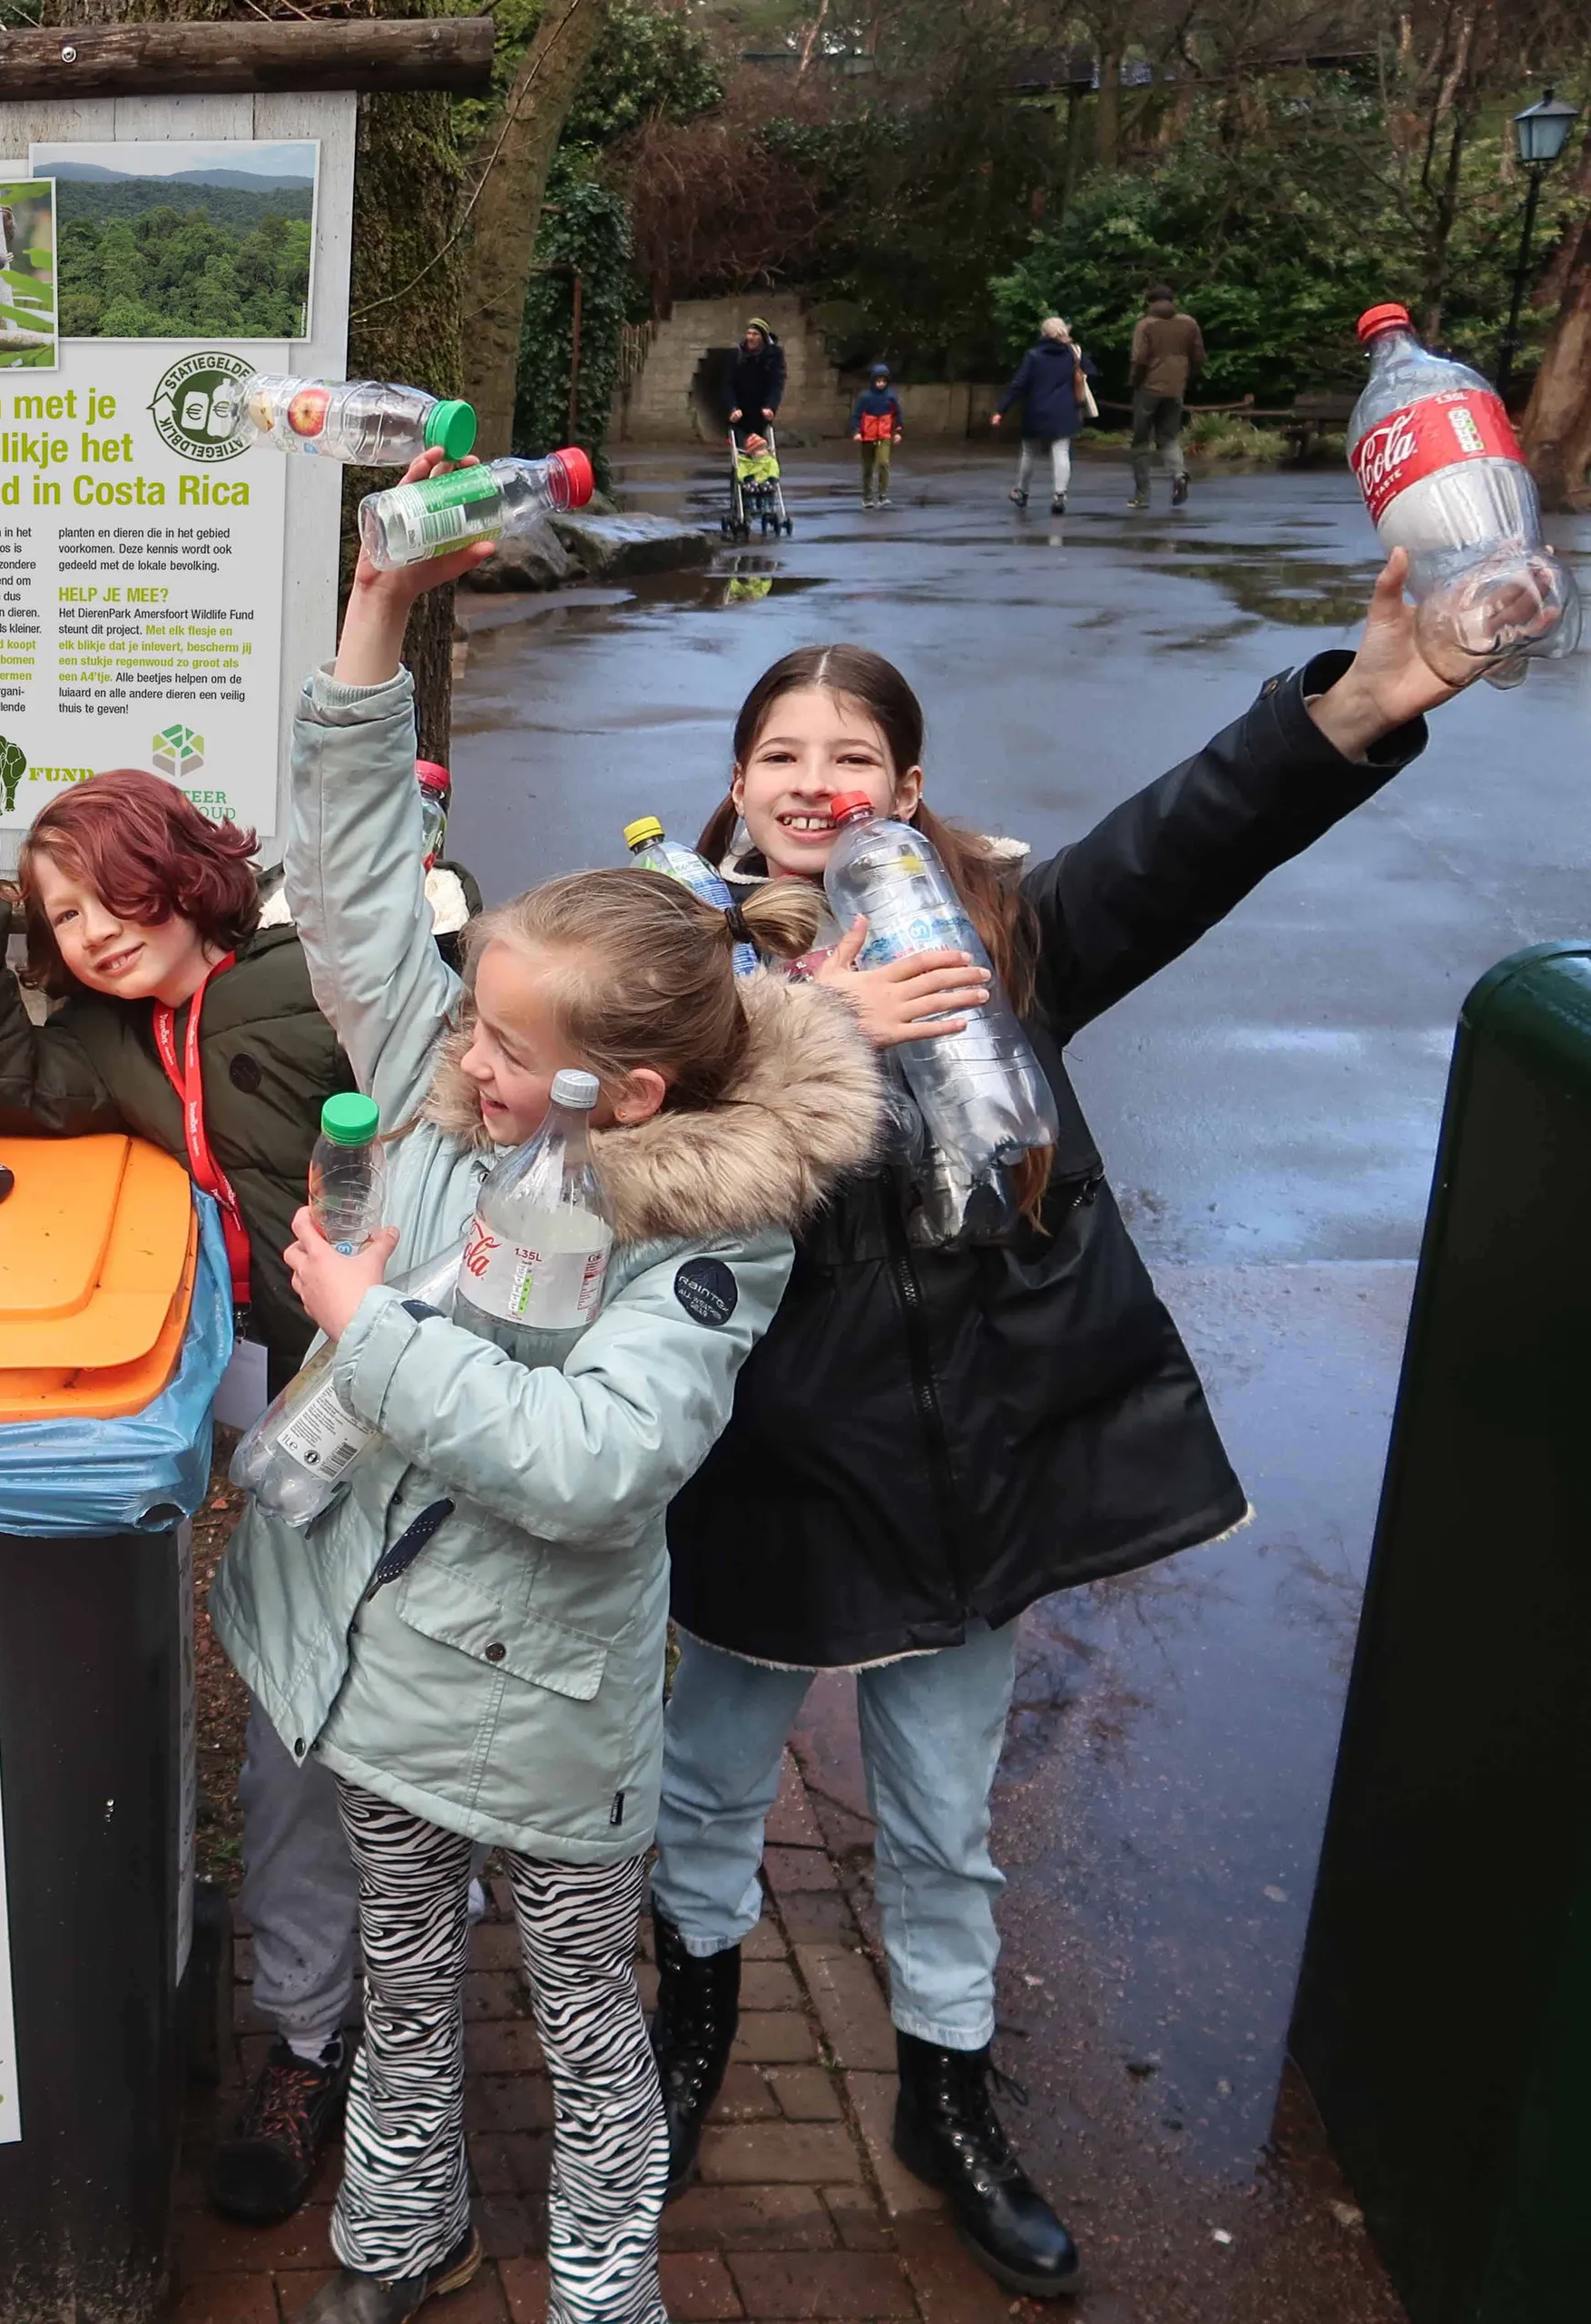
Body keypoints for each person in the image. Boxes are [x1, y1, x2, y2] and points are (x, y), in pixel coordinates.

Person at [649, 563, 1483, 2301]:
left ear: (910, 785)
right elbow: (603, 1137)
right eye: (784, 753)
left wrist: (1360, 701)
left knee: (944, 1817)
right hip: (764, 1468)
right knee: (709, 1781)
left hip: (973, 1468)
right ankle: (690, 2031)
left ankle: (946, 2098)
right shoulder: (673, 963)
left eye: (854, 756)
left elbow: (1188, 841)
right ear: (736, 782)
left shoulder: (999, 935)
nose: (817, 782)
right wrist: (806, 1022)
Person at [224, 497, 880, 2324]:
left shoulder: (704, 1234)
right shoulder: (452, 1093)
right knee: (405, 1982)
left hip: (541, 1710)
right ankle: (400, 2232)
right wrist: (374, 610)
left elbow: (598, 1466)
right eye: (472, 1022)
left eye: (510, 1045)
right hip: (382, 1680)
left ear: (630, 1091)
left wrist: (367, 1329)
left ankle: (603, 2284)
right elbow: (354, 878)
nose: (465, 1057)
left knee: (588, 2013)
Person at [0, 761, 362, 2220]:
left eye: (117, 893)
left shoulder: (308, 989)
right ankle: (261, 2011)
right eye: (63, 915)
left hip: (370, 1387)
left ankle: (342, 2022)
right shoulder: (103, 1040)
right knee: (237, 1694)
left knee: (340, 1709)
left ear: (188, 872)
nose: (95, 932)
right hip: (241, 1397)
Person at [990, 316, 1092, 514]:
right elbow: (1090, 371)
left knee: (1029, 451)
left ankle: (1021, 491)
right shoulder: (1073, 353)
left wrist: (1001, 410)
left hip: (1037, 409)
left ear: (1044, 334)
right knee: (1061, 451)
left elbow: (1019, 384)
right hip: (1065, 410)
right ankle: (1059, 495)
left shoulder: (1034, 356)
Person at [1129, 287, 1206, 508]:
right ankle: (1179, 475)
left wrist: (1134, 382)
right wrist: (1186, 377)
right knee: (1169, 437)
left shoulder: (1146, 325)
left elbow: (1139, 359)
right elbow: (1199, 356)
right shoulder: (1189, 323)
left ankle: (1142, 495)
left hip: (1148, 387)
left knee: (1141, 441)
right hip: (1176, 388)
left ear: (1150, 302)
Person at [850, 363, 903, 510]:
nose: (881, 384)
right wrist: (857, 432)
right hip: (867, 437)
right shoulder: (865, 397)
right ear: (873, 380)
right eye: (878, 381)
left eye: (884, 381)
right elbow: (856, 416)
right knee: (868, 467)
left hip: (884, 436)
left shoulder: (891, 397)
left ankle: (882, 495)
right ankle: (867, 497)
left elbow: (897, 414)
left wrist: (898, 432)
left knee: (883, 463)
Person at [722, 317, 785, 441]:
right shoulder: (737, 355)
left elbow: (776, 384)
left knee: (760, 445)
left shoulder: (773, 355)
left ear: (763, 337)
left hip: (761, 409)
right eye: (749, 333)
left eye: (755, 334)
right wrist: (732, 407)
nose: (751, 337)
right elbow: (727, 384)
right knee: (740, 444)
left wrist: (770, 406)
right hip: (740, 408)